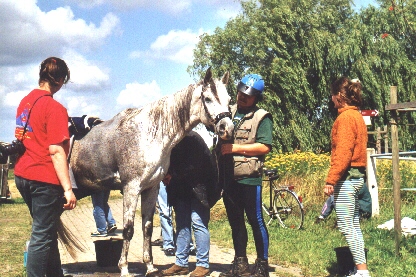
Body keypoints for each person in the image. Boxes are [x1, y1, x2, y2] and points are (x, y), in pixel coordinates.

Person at [14, 57, 77, 277]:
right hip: (44, 180)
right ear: (60, 80)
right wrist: (68, 189)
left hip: (23, 175)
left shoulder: (25, 102)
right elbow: (56, 150)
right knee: (41, 235)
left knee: (47, 232)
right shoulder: (54, 107)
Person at [217, 74, 273, 277]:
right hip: (229, 178)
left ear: (256, 97)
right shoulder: (228, 112)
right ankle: (240, 263)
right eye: (241, 92)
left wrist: (235, 148)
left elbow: (265, 147)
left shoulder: (262, 117)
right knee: (236, 222)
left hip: (249, 177)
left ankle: (262, 265)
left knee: (255, 220)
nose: (242, 97)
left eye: (247, 95)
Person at [324, 77, 371, 277]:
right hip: (357, 178)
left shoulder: (344, 119)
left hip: (347, 180)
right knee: (353, 226)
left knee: (346, 226)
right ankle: (360, 269)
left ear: (340, 96)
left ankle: (362, 271)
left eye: (333, 95)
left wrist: (331, 180)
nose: (331, 99)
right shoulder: (356, 116)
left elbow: (343, 153)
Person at [161, 131, 220, 277]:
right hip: (181, 189)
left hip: (199, 187)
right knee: (182, 224)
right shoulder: (169, 140)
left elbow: (197, 165)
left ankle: (203, 265)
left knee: (198, 222)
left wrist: (172, 174)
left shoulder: (193, 139)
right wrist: (166, 174)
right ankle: (181, 263)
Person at [152, 181, 176, 256]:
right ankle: (168, 244)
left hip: (175, 177)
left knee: (182, 211)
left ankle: (187, 244)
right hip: (163, 179)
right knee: (165, 211)